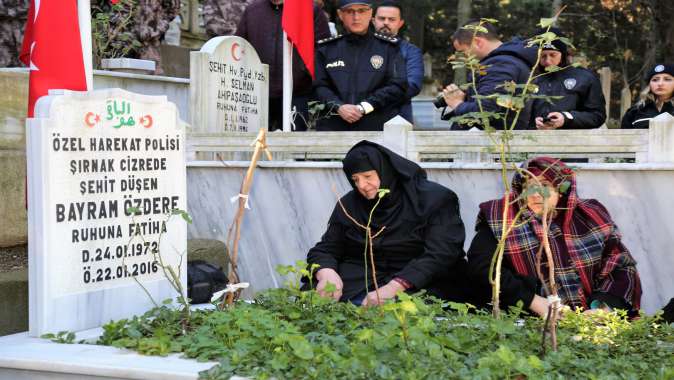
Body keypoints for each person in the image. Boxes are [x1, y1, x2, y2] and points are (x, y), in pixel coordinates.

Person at [466, 157, 642, 317]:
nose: (535, 194)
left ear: (561, 189)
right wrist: (532, 301)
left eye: (544, 185)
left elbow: (621, 264)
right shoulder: (502, 217)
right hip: (527, 321)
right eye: (528, 187)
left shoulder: (590, 216)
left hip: (592, 322)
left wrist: (602, 308)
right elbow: (482, 268)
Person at [306, 141, 466, 305]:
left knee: (409, 309)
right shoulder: (350, 203)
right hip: (362, 274)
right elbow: (326, 248)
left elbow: (441, 253)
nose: (362, 185)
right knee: (316, 295)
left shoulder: (434, 198)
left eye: (368, 176)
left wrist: (394, 287)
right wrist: (326, 273)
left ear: (385, 170)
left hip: (418, 277)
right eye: (355, 179)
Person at [235, 0, 331, 131]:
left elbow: (323, 51)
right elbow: (240, 46)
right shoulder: (252, 11)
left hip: (297, 94)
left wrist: (304, 74)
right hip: (258, 95)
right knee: (256, 147)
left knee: (293, 147)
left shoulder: (310, 10)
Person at [313, 0, 408, 131]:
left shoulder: (388, 48)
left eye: (362, 11)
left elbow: (397, 85)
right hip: (334, 127)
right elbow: (318, 86)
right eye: (350, 11)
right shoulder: (326, 49)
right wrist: (339, 107)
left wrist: (364, 107)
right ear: (340, 15)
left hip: (376, 127)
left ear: (370, 14)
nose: (356, 17)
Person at [441, 21, 537, 130]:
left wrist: (457, 104)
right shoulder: (508, 61)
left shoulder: (500, 65)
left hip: (493, 143)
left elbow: (486, 111)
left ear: (478, 42)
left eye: (463, 52)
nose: (465, 58)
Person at [531, 29, 606, 130]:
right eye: (543, 56)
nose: (548, 61)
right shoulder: (529, 79)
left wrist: (566, 118)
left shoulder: (585, 78)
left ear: (563, 54)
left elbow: (597, 116)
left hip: (571, 141)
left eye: (553, 55)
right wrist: (532, 123)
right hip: (531, 141)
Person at [372, 1, 423, 124]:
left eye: (391, 19)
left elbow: (412, 86)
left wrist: (373, 100)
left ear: (400, 23)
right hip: (362, 118)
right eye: (381, 18)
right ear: (373, 21)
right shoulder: (359, 49)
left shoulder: (411, 52)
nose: (386, 22)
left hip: (398, 118)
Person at [621, 64, 674, 129]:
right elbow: (624, 137)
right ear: (649, 85)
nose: (660, 83)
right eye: (655, 80)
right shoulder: (635, 111)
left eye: (667, 79)